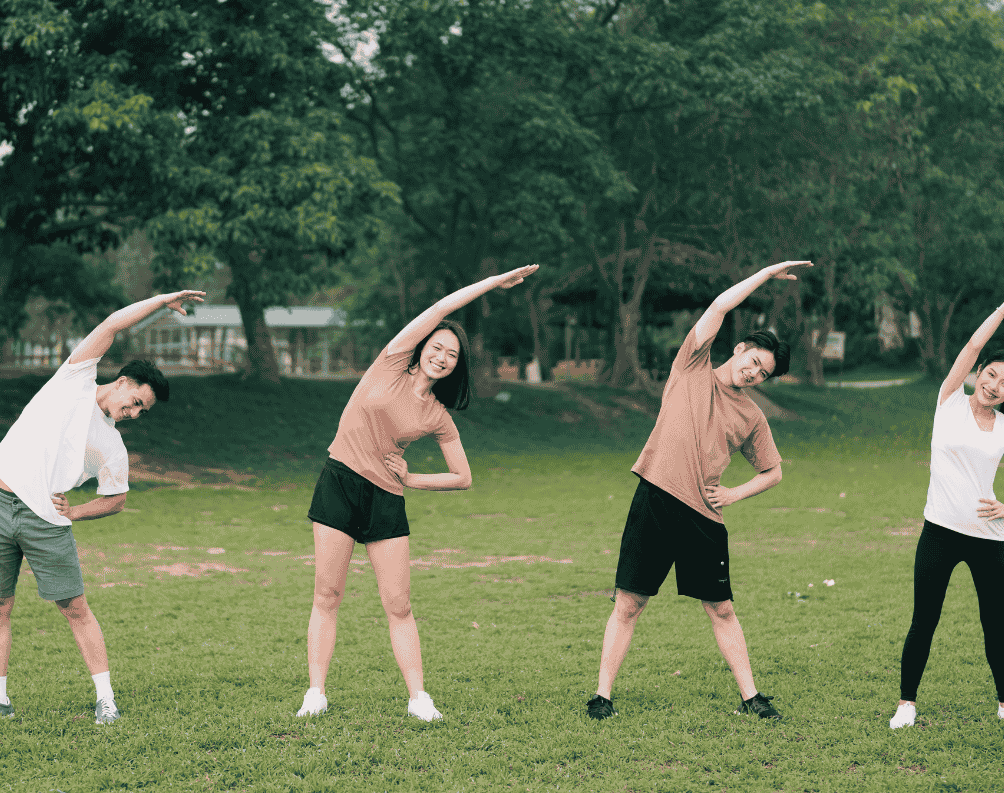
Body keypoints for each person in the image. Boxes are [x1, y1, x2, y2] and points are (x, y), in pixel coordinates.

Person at [296, 265, 540, 722]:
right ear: (423, 345)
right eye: (438, 346)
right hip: (340, 482)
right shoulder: (390, 362)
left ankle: (419, 699)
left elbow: (463, 477)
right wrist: (490, 283)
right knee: (327, 594)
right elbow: (442, 308)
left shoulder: (438, 415)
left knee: (400, 604)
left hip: (386, 497)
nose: (443, 356)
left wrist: (412, 479)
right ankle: (315, 693)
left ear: (455, 366)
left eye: (452, 355)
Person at [586, 261, 810, 722]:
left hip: (703, 517)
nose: (753, 373)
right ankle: (602, 696)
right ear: (740, 348)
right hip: (654, 499)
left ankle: (752, 697)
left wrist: (733, 494)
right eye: (753, 361)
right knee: (629, 602)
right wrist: (765, 277)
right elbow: (719, 305)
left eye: (763, 374)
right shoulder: (692, 366)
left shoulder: (752, 417)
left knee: (722, 609)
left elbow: (773, 472)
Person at [0, 289, 204, 725]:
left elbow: (118, 498)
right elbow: (113, 324)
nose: (133, 413)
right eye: (135, 402)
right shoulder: (73, 378)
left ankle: (106, 699)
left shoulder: (112, 445)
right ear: (121, 383)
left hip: (46, 520)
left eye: (142, 413)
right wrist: (160, 300)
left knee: (75, 608)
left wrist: (75, 512)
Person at [890, 280, 1004, 732]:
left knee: (995, 625)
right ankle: (906, 704)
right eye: (991, 374)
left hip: (986, 539)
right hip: (938, 532)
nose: (995, 385)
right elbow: (973, 341)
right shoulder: (948, 403)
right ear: (978, 372)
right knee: (924, 620)